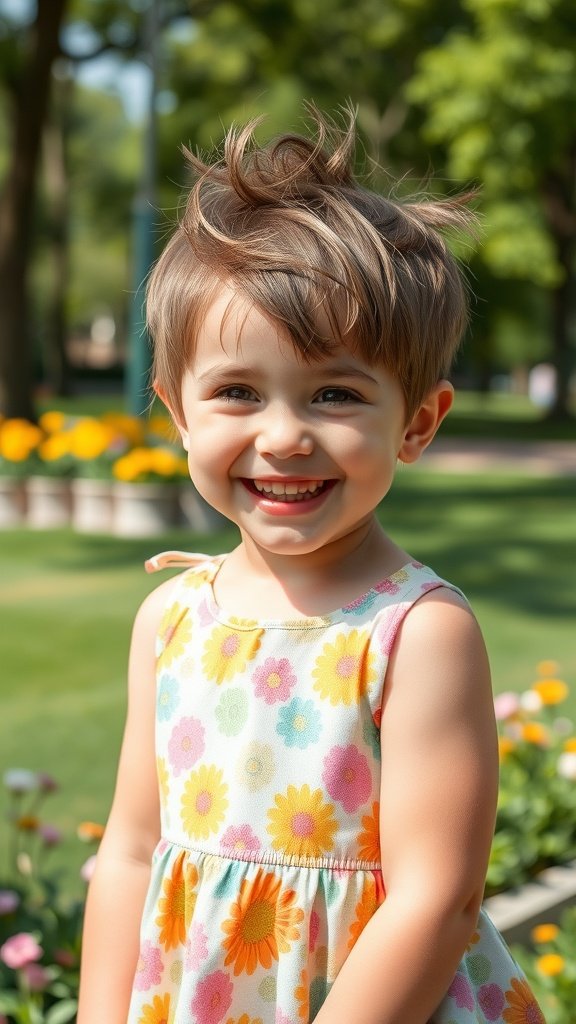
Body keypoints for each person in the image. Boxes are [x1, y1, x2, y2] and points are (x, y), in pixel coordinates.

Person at [77, 108, 544, 1024]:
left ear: (416, 422)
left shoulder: (416, 632)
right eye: (238, 393)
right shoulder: (171, 620)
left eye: (335, 393)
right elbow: (132, 852)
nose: (283, 435)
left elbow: (434, 901)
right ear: (177, 412)